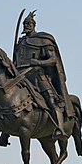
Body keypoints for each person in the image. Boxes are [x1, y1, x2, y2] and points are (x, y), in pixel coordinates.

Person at [13, 10, 74, 138]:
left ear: (34, 25)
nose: (26, 26)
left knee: (51, 100)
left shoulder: (42, 40)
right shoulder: (21, 42)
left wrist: (39, 62)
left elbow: (53, 59)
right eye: (25, 24)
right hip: (19, 76)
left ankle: (59, 128)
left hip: (36, 75)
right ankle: (2, 134)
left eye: (29, 23)